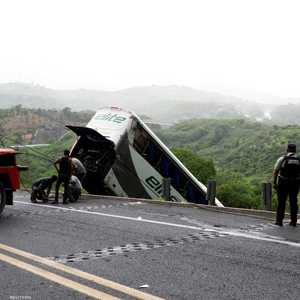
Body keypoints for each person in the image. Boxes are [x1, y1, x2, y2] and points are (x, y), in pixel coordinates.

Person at [273, 143, 300, 227]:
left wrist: (275, 182)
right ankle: (293, 221)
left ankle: (279, 221)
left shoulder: (282, 158)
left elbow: (276, 171)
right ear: (295, 150)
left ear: (287, 150)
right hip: (295, 184)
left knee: (281, 202)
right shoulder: (299, 160)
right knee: (293, 202)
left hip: (283, 183)